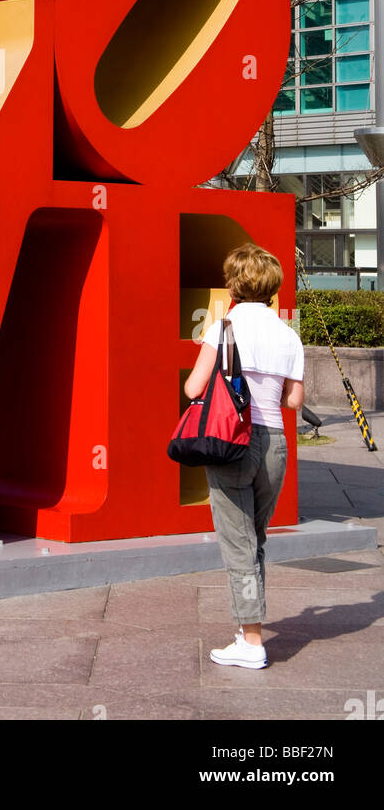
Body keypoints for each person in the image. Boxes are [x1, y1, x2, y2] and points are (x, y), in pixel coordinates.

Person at [183, 242, 304, 669]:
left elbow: (194, 389)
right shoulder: (289, 334)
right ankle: (247, 628)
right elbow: (294, 400)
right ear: (272, 287)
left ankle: (252, 642)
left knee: (238, 546)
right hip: (275, 443)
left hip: (233, 441)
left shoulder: (223, 329)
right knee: (255, 541)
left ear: (234, 283)